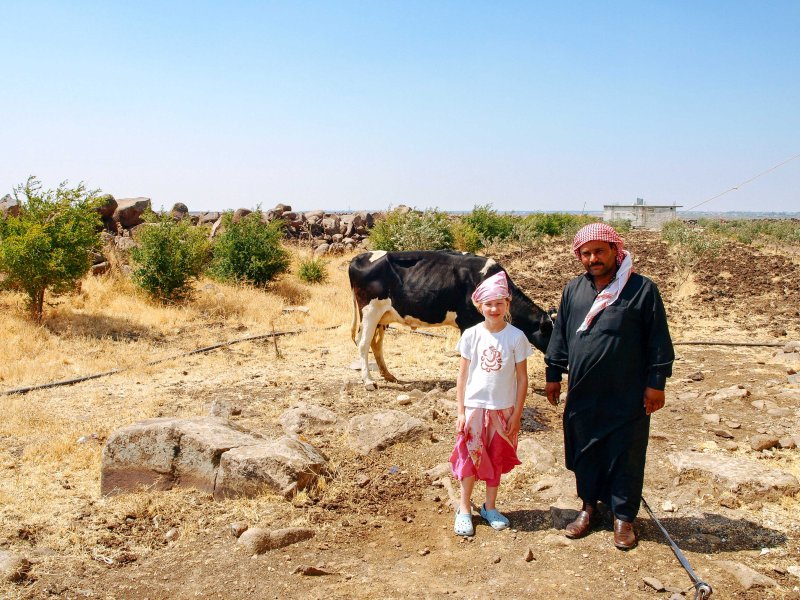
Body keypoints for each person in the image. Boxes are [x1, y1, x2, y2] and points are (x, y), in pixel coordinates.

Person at [544, 223, 674, 550]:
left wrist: (656, 384)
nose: (593, 259)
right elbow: (560, 334)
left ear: (616, 250)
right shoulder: (574, 290)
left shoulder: (642, 290)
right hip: (584, 392)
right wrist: (553, 373)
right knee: (586, 449)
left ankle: (623, 518)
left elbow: (658, 341)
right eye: (586, 253)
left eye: (600, 251)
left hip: (626, 394)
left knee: (625, 454)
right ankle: (588, 508)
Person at [449, 271, 532, 537]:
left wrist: (516, 415)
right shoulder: (471, 335)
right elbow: (462, 376)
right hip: (474, 409)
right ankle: (464, 509)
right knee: (470, 458)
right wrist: (461, 411)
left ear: (508, 304)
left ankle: (490, 506)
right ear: (479, 306)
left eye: (499, 303)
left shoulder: (517, 337)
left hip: (503, 410)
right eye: (488, 303)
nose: (493, 308)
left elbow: (522, 378)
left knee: (495, 458)